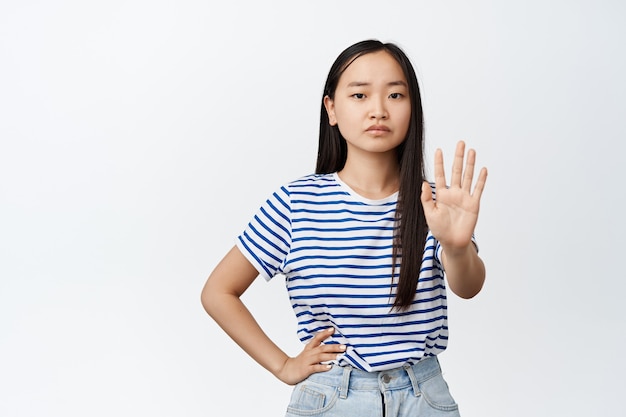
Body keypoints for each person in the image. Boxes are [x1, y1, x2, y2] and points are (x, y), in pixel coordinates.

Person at [201, 39, 487, 417]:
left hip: (424, 398)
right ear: (331, 109)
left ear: (412, 108)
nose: (379, 110)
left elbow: (468, 288)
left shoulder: (435, 203)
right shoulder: (295, 202)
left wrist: (456, 246)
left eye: (396, 94)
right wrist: (283, 364)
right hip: (333, 398)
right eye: (359, 95)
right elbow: (218, 292)